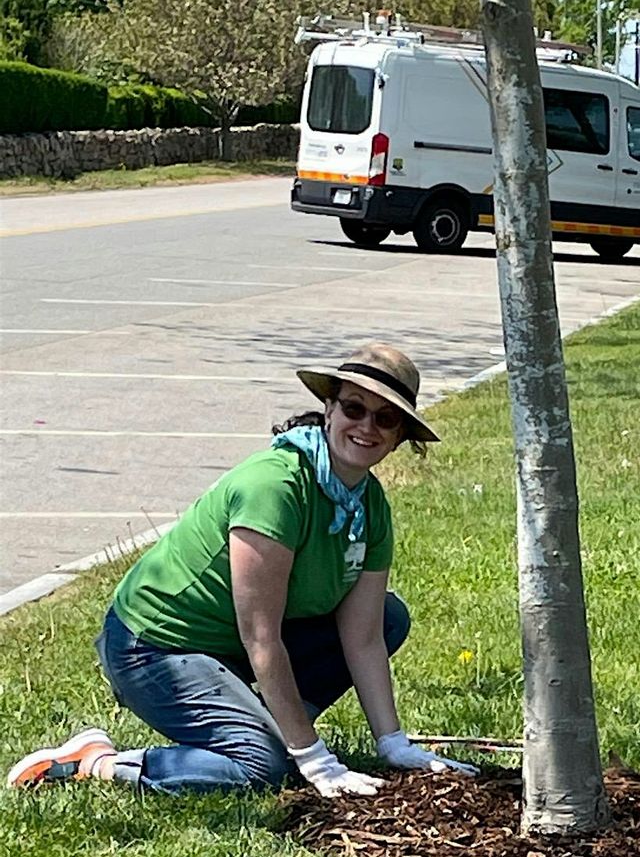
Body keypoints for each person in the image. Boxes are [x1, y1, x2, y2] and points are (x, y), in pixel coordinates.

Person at [8, 342, 476, 798]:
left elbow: (365, 636)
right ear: (329, 410)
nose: (367, 426)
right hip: (154, 647)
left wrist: (393, 743)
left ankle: (275, 730)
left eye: (386, 418)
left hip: (229, 648)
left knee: (389, 617)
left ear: (398, 438)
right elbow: (261, 636)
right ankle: (96, 763)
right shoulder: (274, 487)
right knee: (261, 768)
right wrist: (312, 758)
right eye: (354, 408)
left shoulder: (368, 504)